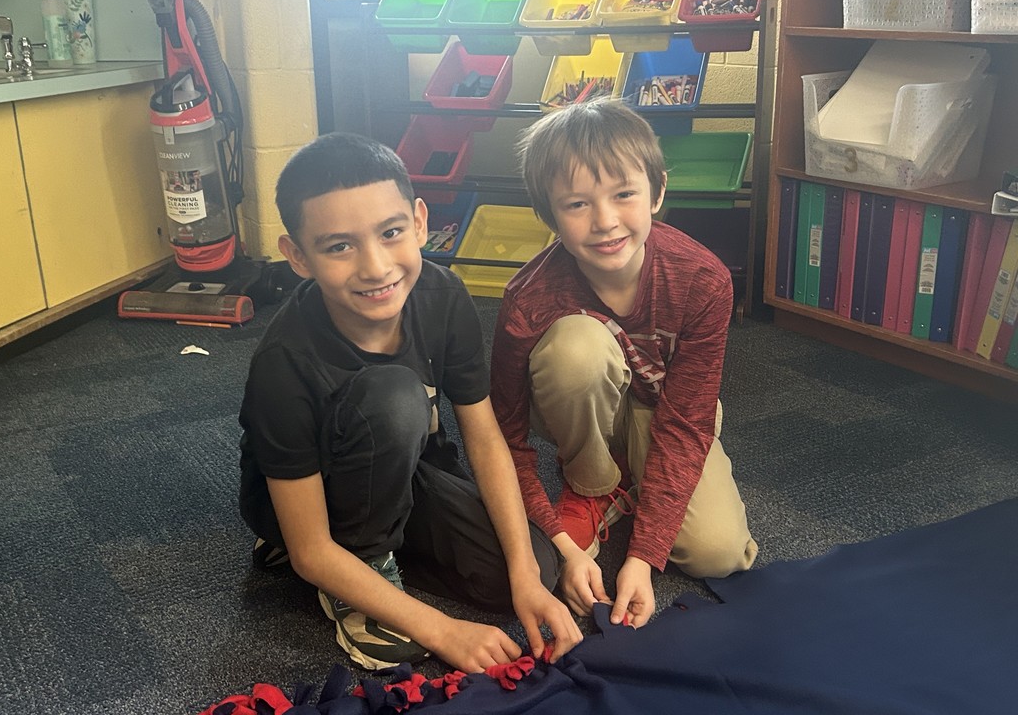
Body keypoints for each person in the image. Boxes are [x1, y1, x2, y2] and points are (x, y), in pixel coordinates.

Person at [238, 132, 581, 673]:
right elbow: (311, 548)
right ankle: (358, 576)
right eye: (338, 246)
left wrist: (523, 572)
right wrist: (441, 628)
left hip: (403, 466)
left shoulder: (444, 296)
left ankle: (375, 546)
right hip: (302, 505)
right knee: (395, 397)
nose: (375, 267)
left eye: (391, 232)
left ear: (420, 222)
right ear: (298, 257)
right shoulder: (284, 363)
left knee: (528, 568)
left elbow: (484, 435)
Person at [490, 99, 758, 630]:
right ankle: (592, 484)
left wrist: (642, 559)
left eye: (624, 195)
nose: (605, 221)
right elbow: (505, 435)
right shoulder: (527, 296)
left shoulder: (704, 280)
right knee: (575, 350)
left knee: (718, 555)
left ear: (657, 192)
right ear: (550, 215)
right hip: (580, 406)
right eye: (577, 205)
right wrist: (562, 545)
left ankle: (637, 484)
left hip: (667, 415)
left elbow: (686, 422)